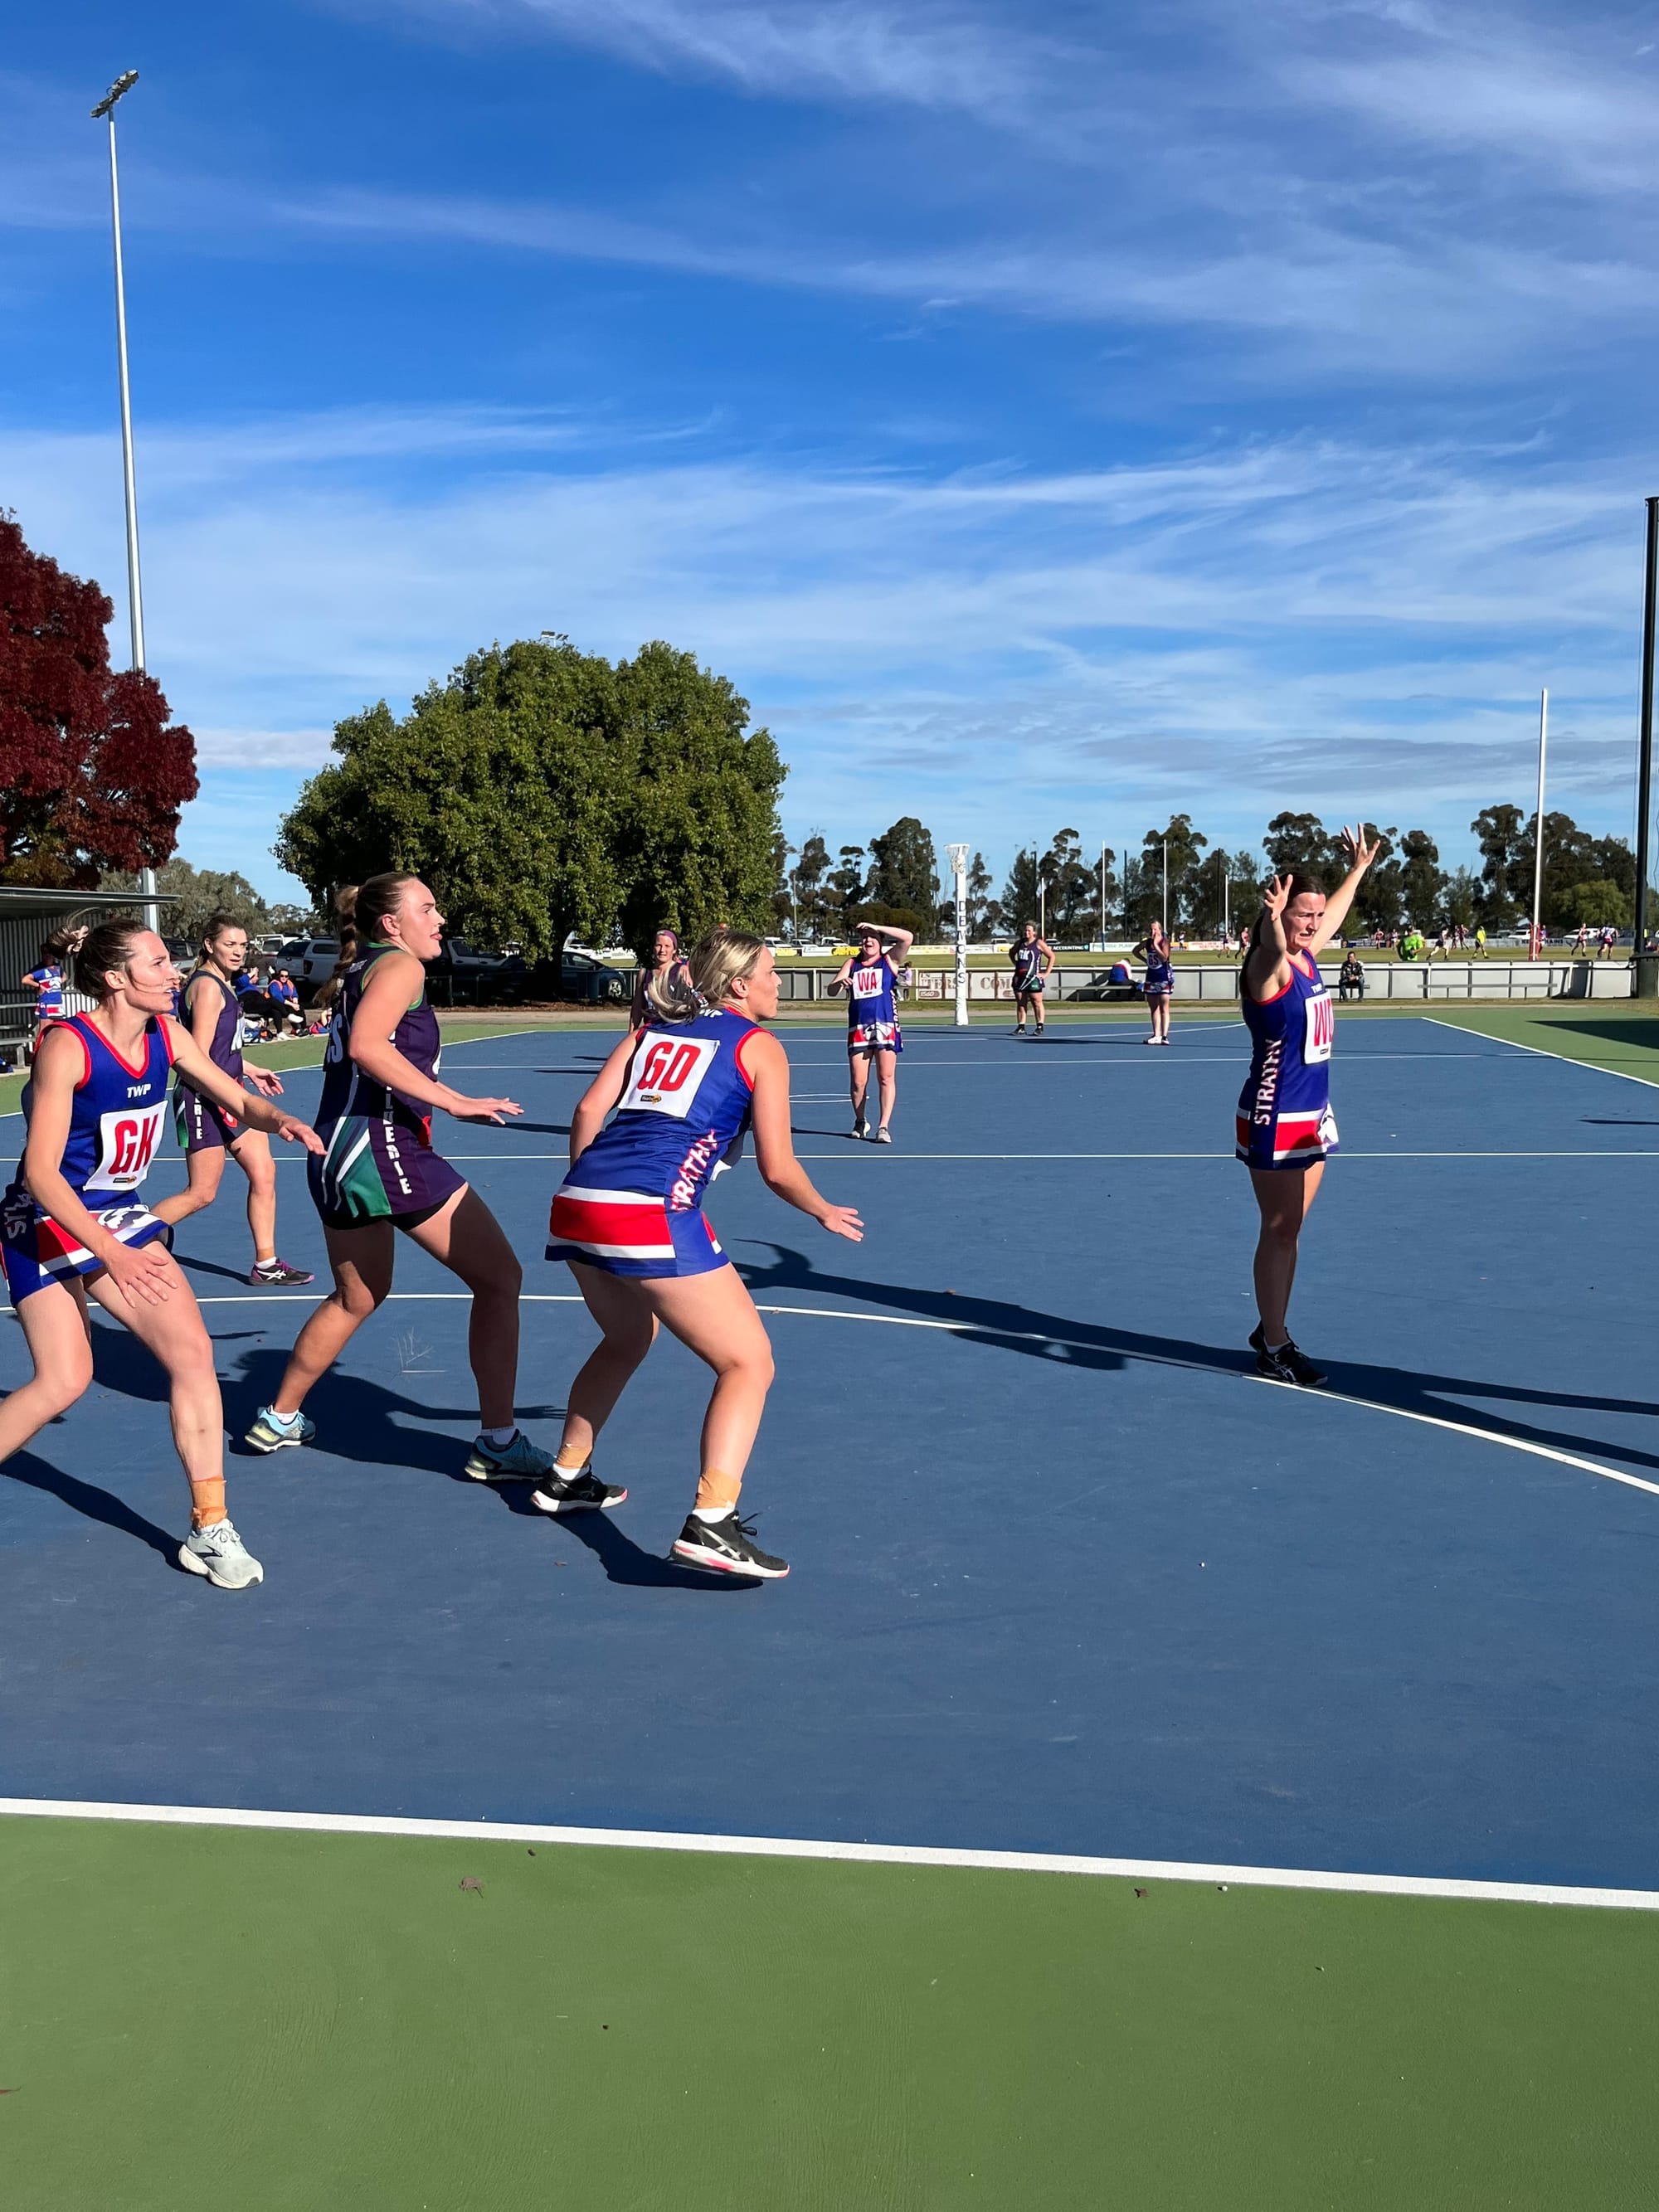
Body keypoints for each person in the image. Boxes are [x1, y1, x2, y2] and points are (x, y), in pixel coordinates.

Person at [0, 919, 324, 1587]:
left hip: (116, 1215)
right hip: (45, 1217)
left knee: (192, 1354)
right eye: (156, 962)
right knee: (63, 1380)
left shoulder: (166, 1036)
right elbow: (40, 1174)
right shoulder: (68, 1046)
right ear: (117, 978)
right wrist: (112, 1257)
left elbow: (234, 1096)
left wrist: (279, 1119)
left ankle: (210, 1525)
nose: (173, 972)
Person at [543, 927, 864, 1578]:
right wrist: (823, 1208)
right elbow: (778, 1168)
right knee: (748, 1361)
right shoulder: (760, 1047)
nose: (779, 984)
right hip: (649, 1206)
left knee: (629, 1336)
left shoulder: (650, 1031)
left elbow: (586, 1109)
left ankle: (567, 1472)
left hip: (578, 1198)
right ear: (740, 984)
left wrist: (594, 1189)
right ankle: (712, 1520)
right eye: (772, 973)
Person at [244, 873, 557, 1482]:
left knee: (357, 1294)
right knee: (500, 1278)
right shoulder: (401, 969)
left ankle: (279, 1416)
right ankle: (498, 1441)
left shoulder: (363, 970)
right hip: (378, 1147)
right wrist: (452, 1099)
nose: (439, 919)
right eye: (427, 908)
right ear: (393, 923)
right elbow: (365, 1046)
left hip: (330, 1149)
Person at [1238, 828, 1377, 1388]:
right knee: (1279, 1230)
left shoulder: (1310, 956)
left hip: (1313, 1115)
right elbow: (1273, 948)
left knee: (1289, 1231)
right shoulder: (1266, 966)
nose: (1313, 923)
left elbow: (1336, 914)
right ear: (1280, 912)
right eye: (1302, 914)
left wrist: (1359, 869)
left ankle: (1270, 1325)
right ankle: (1274, 1344)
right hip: (1275, 1116)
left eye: (1315, 915)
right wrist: (1273, 928)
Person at [152, 915, 315, 1287]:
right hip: (204, 1098)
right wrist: (229, 1094)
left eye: (243, 945)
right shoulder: (208, 988)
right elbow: (197, 1056)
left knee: (264, 1172)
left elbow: (223, 1050)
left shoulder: (223, 984)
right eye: (231, 944)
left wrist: (251, 1068)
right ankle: (133, 1234)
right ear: (210, 945)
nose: (239, 951)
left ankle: (266, 1262)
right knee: (201, 1193)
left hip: (229, 1092)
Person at [830, 921, 912, 1142]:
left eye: (872, 937)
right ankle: (860, 1120)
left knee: (885, 1077)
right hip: (859, 1028)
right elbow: (831, 989)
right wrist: (840, 984)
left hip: (885, 1026)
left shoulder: (889, 960)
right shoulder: (852, 963)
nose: (868, 940)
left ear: (881, 941)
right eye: (864, 937)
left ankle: (883, 1126)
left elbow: (907, 937)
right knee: (858, 1082)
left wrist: (878, 927)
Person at [630, 927, 688, 1032]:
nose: (662, 950)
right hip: (651, 1030)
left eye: (667, 946)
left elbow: (693, 1005)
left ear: (674, 950)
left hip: (674, 1029)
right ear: (653, 947)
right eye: (659, 945)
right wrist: (631, 1032)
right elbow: (637, 1008)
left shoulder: (682, 971)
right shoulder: (644, 973)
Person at [1008, 921, 1053, 1036]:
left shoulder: (1039, 943)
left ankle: (1039, 1026)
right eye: (1025, 930)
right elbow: (1011, 952)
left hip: (1033, 978)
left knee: (1036, 1002)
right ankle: (1021, 1026)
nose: (1026, 932)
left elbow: (1051, 956)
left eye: (1029, 930)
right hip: (1020, 978)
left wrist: (1046, 973)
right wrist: (1016, 963)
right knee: (1021, 1003)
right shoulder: (1020, 943)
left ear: (1034, 932)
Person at [1136, 922, 1175, 1044]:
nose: (1152, 932)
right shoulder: (1147, 942)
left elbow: (1164, 958)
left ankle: (1164, 1036)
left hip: (1163, 978)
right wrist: (1145, 960)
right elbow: (1135, 951)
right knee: (1154, 1008)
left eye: (1155, 929)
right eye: (1150, 929)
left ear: (1160, 930)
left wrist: (1156, 946)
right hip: (1151, 978)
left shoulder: (1165, 942)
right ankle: (1156, 1035)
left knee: (1164, 1007)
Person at [267, 967, 303, 1033]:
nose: (284, 978)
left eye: (286, 976)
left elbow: (294, 994)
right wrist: (292, 1004)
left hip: (287, 1002)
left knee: (299, 1008)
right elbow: (278, 998)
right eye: (282, 976)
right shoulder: (274, 984)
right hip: (273, 1004)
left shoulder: (289, 983)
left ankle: (302, 1029)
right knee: (281, 1010)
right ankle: (281, 1031)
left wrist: (295, 1002)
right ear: (279, 976)